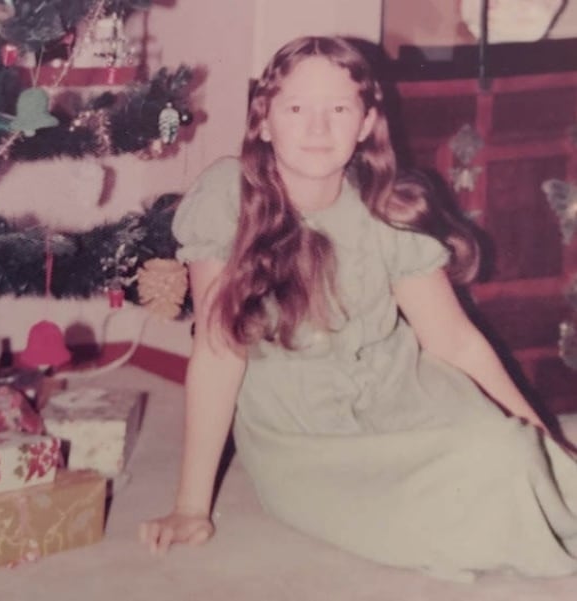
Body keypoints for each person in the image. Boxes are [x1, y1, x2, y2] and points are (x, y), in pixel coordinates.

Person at [139, 35, 577, 581]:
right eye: (297, 108)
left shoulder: (386, 206)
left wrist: (545, 438)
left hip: (402, 391)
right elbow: (217, 351)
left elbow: (455, 341)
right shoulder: (228, 198)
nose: (318, 128)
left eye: (339, 109)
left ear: (366, 123)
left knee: (510, 451)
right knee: (483, 483)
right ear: (264, 121)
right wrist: (190, 507)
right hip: (304, 432)